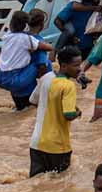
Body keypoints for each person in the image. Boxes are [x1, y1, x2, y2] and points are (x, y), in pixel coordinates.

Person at [29, 45, 83, 177]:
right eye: (76, 65)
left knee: (36, 183)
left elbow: (33, 101)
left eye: (80, 64)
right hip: (57, 146)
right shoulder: (68, 85)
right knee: (60, 186)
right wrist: (78, 112)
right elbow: (68, 114)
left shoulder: (46, 77)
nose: (79, 69)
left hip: (36, 143)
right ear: (64, 66)